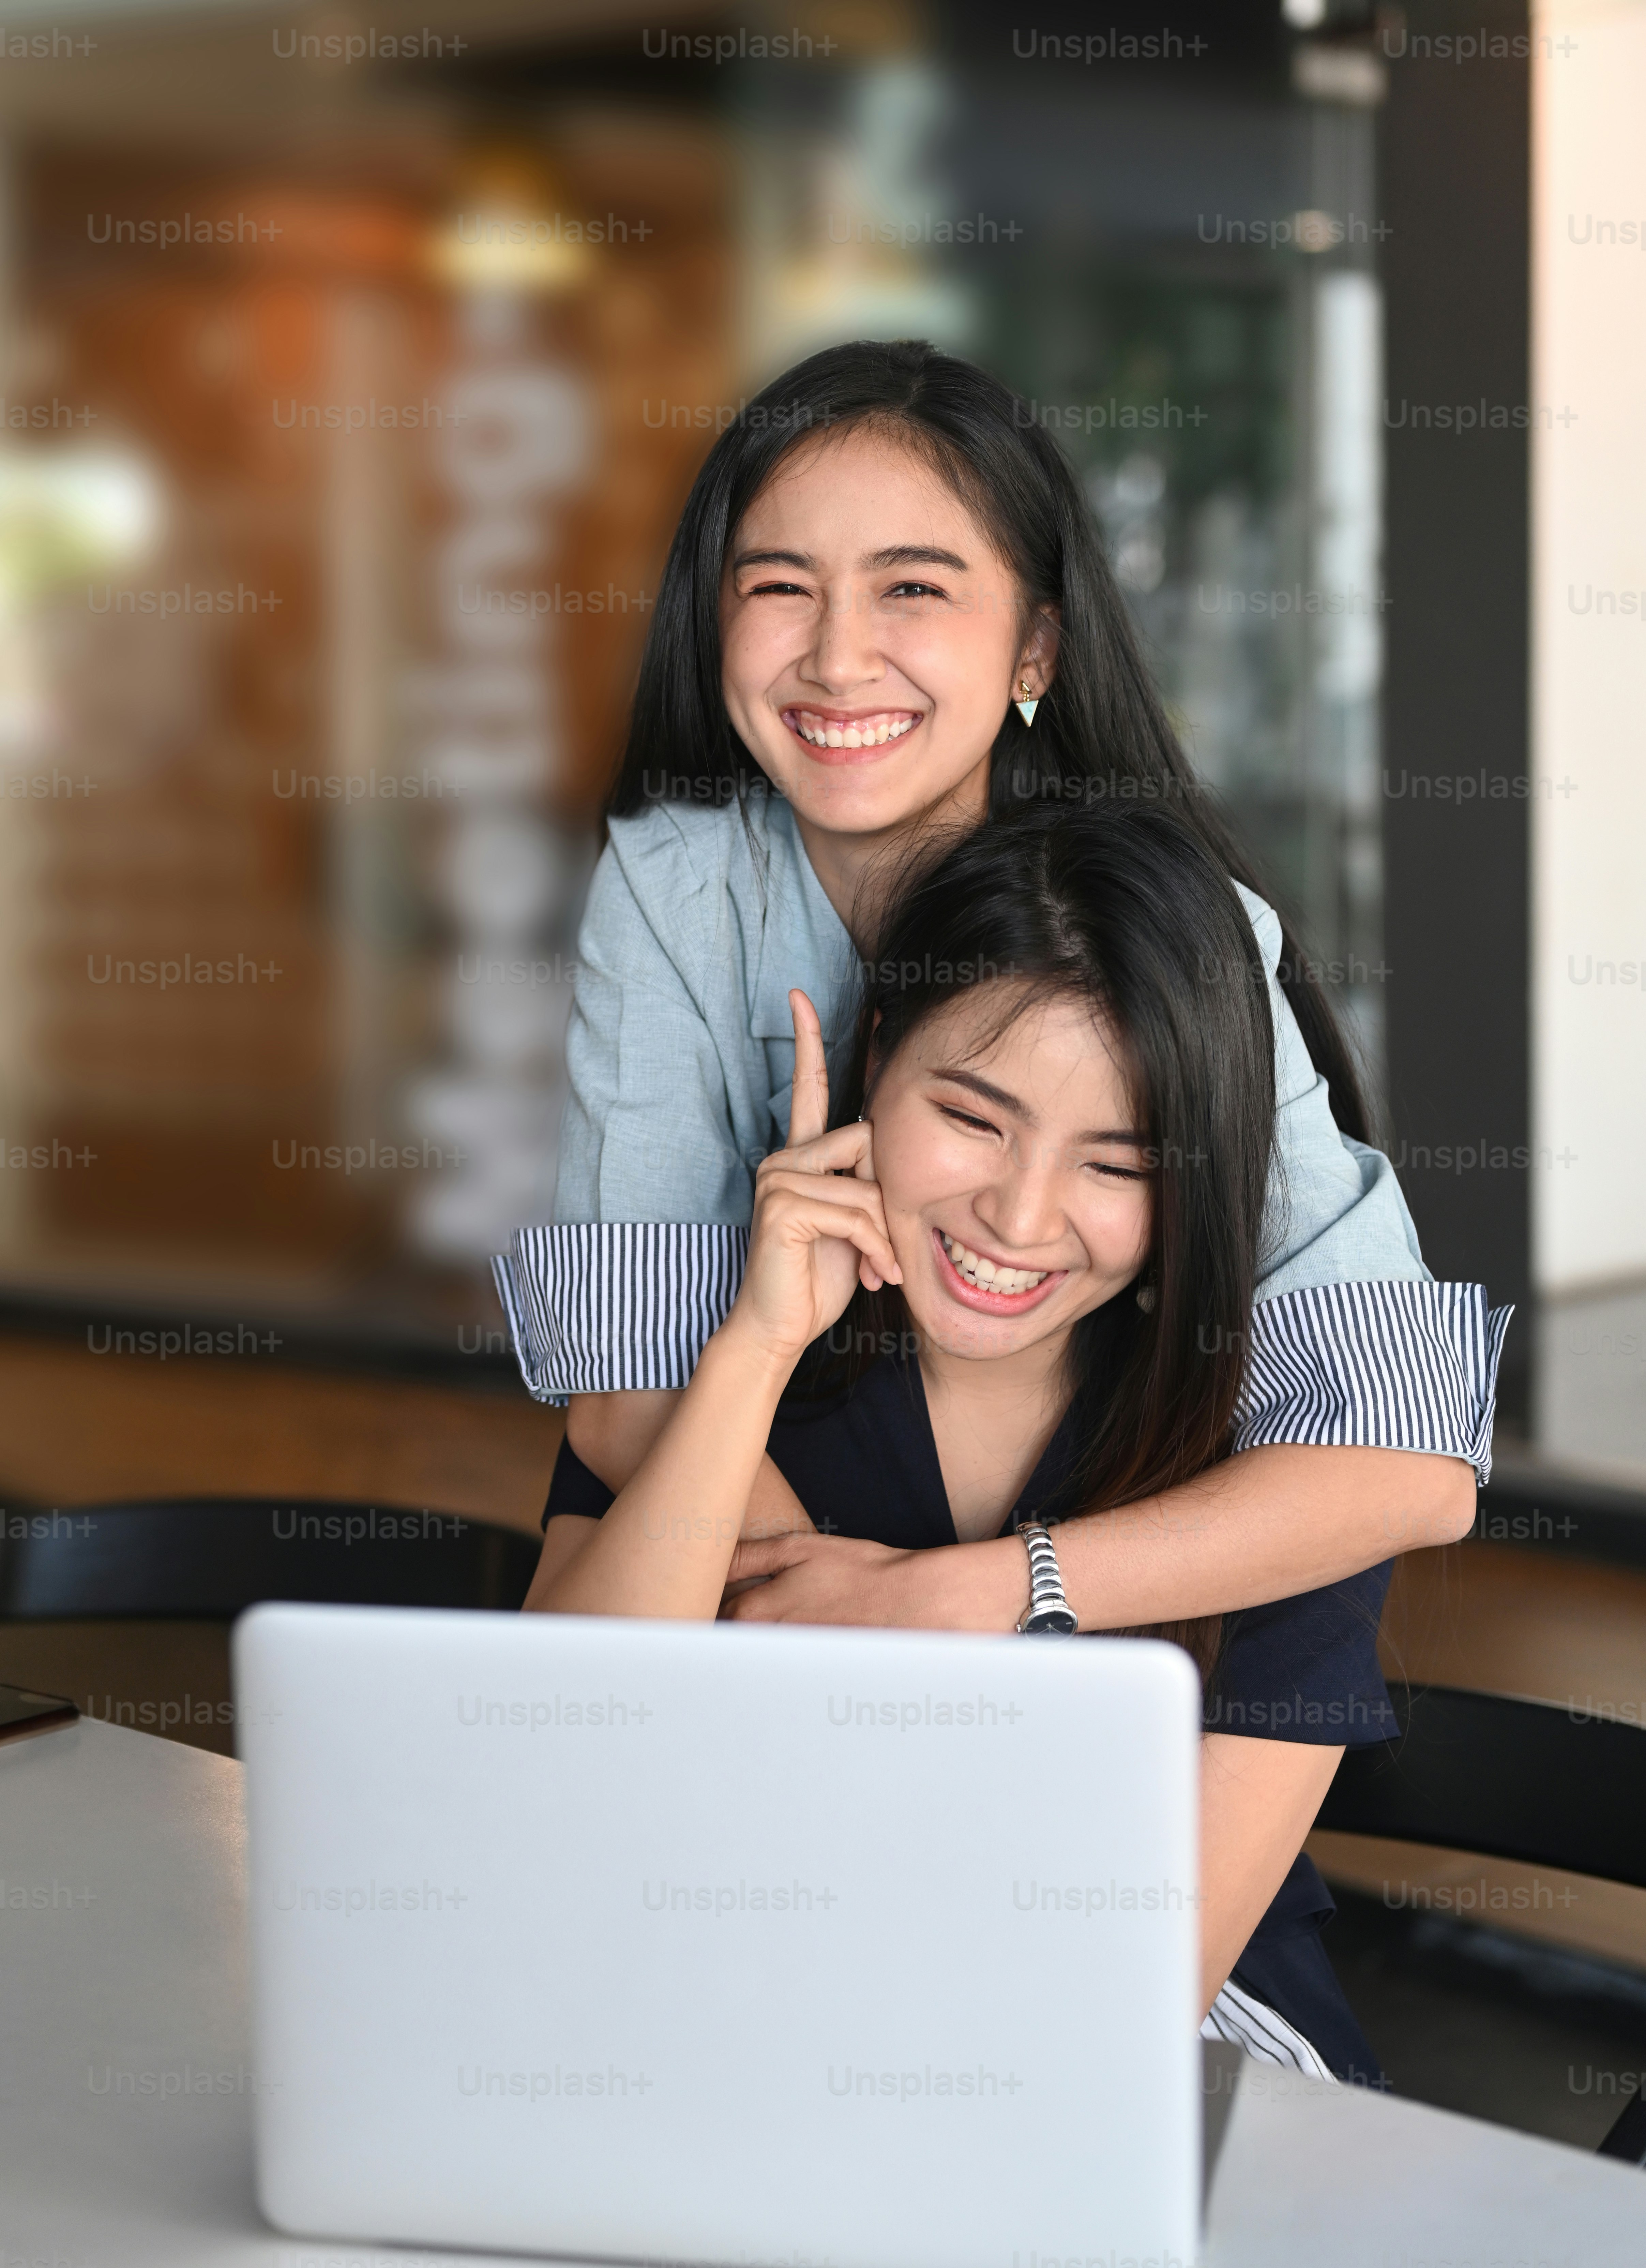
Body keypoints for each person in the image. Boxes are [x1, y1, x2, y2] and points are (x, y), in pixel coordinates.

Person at [495, 338, 1496, 1630]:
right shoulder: (675, 886)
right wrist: (840, 1623)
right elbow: (631, 1393)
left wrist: (961, 1601)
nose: (839, 658)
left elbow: (1409, 1460)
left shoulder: (1169, 930)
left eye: (913, 587)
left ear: (1036, 650)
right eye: (781, 585)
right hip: (796, 1494)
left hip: (1095, 1528)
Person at [526, 806, 1509, 2077]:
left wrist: (955, 1619)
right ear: (875, 1056)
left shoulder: (1277, 1461)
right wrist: (760, 1348)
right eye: (976, 1119)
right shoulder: (721, 1379)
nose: (1020, 1215)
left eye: (1117, 1164)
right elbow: (551, 1778)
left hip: (1150, 2078)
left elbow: (1116, 2012)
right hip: (743, 2031)